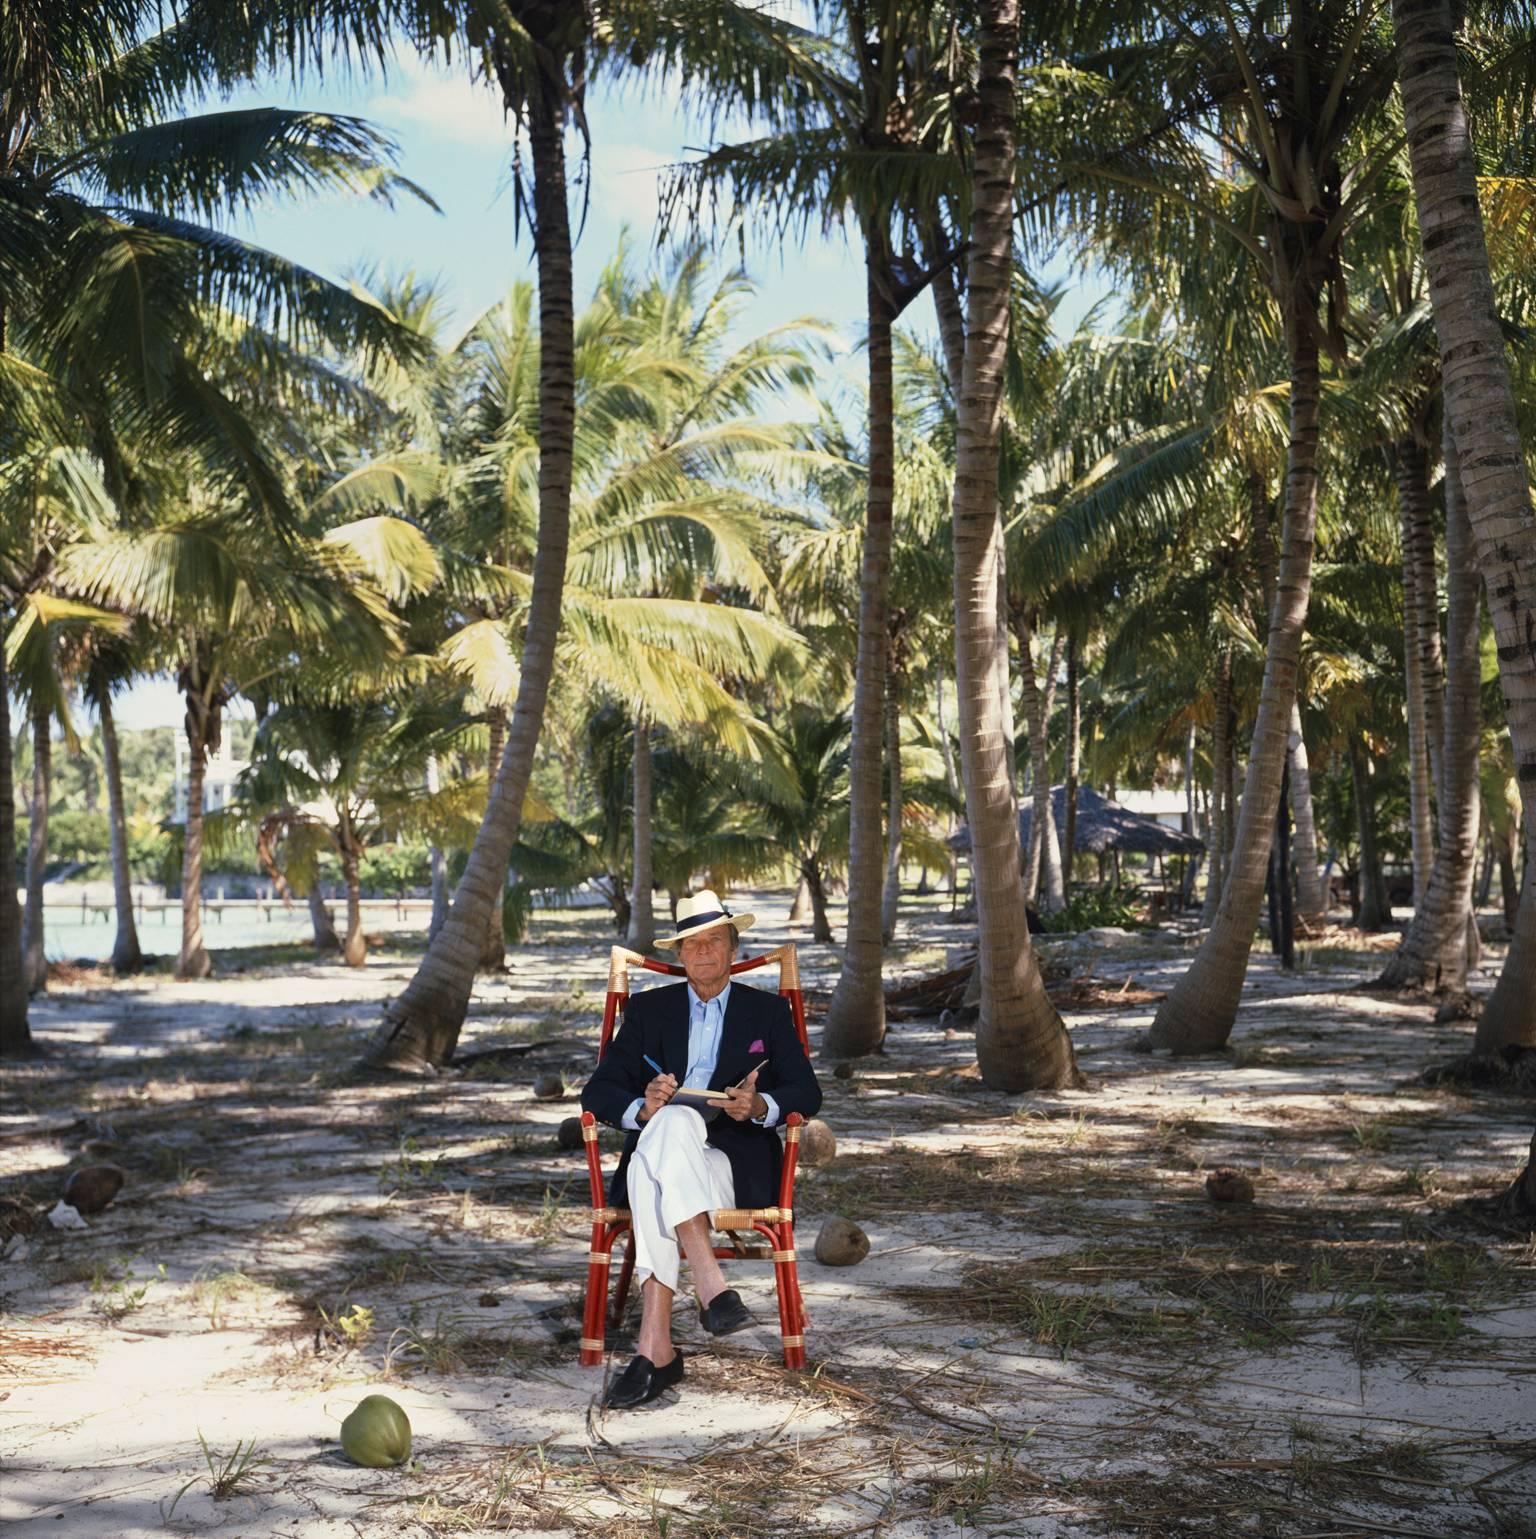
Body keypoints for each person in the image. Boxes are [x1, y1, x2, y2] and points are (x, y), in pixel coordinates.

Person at [580, 890, 821, 1409]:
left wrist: (759, 1106)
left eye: (715, 940)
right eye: (693, 943)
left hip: (731, 1166)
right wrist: (642, 1109)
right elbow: (597, 1092)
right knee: (667, 1126)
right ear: (680, 953)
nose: (704, 951)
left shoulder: (768, 1013)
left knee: (653, 1167)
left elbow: (808, 1091)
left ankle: (659, 1353)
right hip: (670, 1159)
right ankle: (699, 1297)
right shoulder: (648, 1010)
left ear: (733, 948)